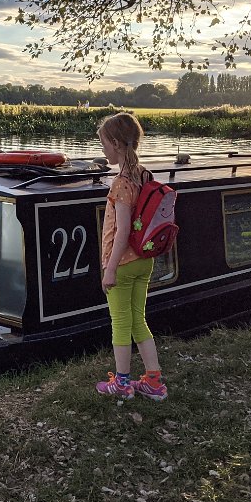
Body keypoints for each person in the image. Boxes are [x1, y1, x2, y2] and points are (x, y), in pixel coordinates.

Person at [95, 112, 168, 401]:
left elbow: (123, 229)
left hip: (122, 263)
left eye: (104, 144)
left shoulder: (121, 183)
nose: (102, 150)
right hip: (143, 260)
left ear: (116, 143)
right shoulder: (144, 174)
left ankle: (122, 383)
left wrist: (109, 269)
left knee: (120, 323)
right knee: (139, 319)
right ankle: (153, 381)